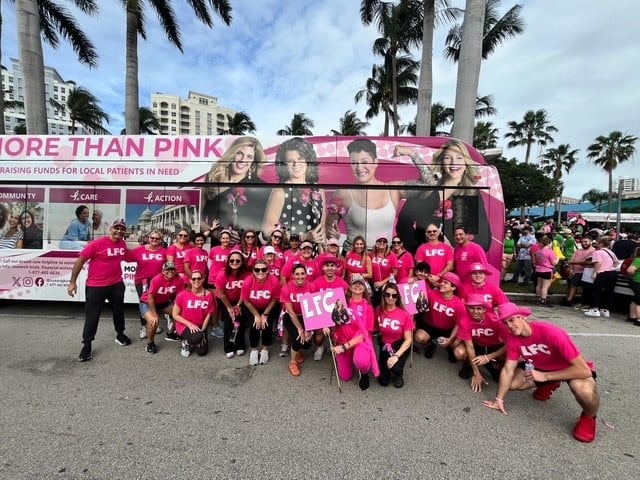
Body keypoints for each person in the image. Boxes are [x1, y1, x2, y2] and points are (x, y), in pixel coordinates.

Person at [483, 302, 600, 443]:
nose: (509, 326)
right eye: (505, 323)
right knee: (513, 384)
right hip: (541, 369)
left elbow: (584, 370)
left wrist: (545, 376)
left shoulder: (550, 332)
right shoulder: (513, 339)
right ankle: (551, 383)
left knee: (584, 391)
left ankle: (589, 416)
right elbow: (508, 369)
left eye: (512, 320)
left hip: (569, 369)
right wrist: (499, 400)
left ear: (522, 317)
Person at [395, 140, 491, 253]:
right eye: (447, 158)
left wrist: (456, 250)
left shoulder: (469, 193)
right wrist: (420, 249)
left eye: (459, 158)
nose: (453, 162)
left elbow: (483, 238)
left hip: (456, 262)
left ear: (466, 164)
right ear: (441, 162)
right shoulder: (426, 191)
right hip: (425, 263)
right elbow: (403, 224)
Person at [68, 219, 131, 362]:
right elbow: (80, 261)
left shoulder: (122, 243)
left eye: (122, 229)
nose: (119, 231)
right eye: (116, 228)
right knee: (92, 315)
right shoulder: (97, 244)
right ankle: (87, 345)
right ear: (111, 229)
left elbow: (127, 256)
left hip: (116, 284)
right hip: (96, 286)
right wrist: (72, 282)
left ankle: (120, 335)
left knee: (119, 311)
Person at [329, 139, 401, 249]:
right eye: (354, 163)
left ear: (376, 162)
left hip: (384, 260)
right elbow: (327, 230)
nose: (359, 168)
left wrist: (411, 153)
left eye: (365, 162)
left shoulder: (393, 190)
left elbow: (430, 184)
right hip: (353, 259)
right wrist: (338, 238)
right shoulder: (343, 193)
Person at [262, 137, 326, 243]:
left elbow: (321, 232)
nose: (296, 164)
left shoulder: (319, 191)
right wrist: (302, 238)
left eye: (300, 159)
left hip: (314, 257)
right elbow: (267, 233)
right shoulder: (280, 192)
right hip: (290, 255)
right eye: (290, 161)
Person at [200, 136, 270, 233]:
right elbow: (197, 219)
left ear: (253, 163)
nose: (243, 160)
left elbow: (263, 224)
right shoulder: (212, 177)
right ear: (232, 153)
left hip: (246, 243)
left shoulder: (260, 186)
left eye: (249, 157)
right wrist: (219, 235)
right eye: (239, 153)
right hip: (214, 243)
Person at [327, 274, 379, 390]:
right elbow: (332, 318)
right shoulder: (342, 302)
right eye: (354, 283)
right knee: (345, 377)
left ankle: (364, 373)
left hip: (359, 342)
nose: (357, 286)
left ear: (364, 288)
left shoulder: (369, 307)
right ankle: (350, 360)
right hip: (342, 340)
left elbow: (365, 334)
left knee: (362, 361)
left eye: (360, 283)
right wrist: (326, 326)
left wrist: (345, 347)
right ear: (350, 287)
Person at [453, 294, 507, 388]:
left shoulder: (495, 321)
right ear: (467, 308)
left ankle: (492, 365)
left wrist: (488, 357)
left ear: (484, 309)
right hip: (477, 346)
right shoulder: (464, 321)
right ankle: (470, 364)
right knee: (459, 352)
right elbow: (470, 348)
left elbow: (509, 344)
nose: (475, 312)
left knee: (510, 355)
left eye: (479, 308)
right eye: (472, 308)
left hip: (493, 347)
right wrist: (476, 373)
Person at [414, 272, 465, 362]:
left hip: (448, 329)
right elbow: (416, 290)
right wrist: (412, 281)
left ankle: (449, 348)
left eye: (446, 283)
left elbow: (458, 325)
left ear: (453, 288)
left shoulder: (459, 305)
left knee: (455, 345)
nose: (441, 283)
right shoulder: (431, 294)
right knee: (419, 337)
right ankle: (430, 345)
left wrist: (450, 339)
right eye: (442, 281)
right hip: (429, 325)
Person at [127, 229, 167, 340]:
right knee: (143, 303)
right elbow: (125, 256)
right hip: (141, 282)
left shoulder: (164, 251)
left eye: (157, 238)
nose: (154, 240)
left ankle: (155, 323)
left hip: (158, 282)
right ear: (148, 238)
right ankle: (144, 327)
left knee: (154, 303)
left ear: (160, 240)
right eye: (152, 238)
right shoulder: (139, 250)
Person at [241, 259, 282, 366]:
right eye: (257, 269)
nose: (260, 272)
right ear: (253, 271)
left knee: (266, 326)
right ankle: (254, 350)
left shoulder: (274, 281)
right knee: (254, 326)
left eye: (263, 269)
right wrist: (256, 315)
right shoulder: (247, 281)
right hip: (252, 307)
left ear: (268, 270)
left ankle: (265, 349)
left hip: (268, 306)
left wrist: (265, 314)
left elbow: (274, 300)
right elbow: (246, 301)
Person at [139, 262, 184, 354]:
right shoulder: (157, 279)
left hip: (164, 302)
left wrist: (177, 308)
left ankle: (170, 334)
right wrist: (154, 314)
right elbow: (150, 297)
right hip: (147, 303)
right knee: (154, 322)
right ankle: (150, 343)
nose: (170, 271)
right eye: (167, 269)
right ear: (163, 271)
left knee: (180, 315)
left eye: (172, 269)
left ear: (176, 270)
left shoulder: (179, 279)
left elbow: (179, 296)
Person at [310, 255, 349, 361]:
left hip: (336, 315)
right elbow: (312, 303)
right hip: (321, 315)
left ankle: (336, 348)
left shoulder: (342, 283)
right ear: (323, 268)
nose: (330, 268)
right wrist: (323, 324)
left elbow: (347, 300)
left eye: (332, 265)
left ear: (336, 268)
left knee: (336, 334)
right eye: (327, 265)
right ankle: (319, 347)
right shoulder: (316, 283)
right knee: (318, 337)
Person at [375, 282, 414, 388]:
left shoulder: (405, 314)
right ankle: (388, 369)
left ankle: (398, 373)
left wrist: (397, 356)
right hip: (384, 344)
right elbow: (374, 328)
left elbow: (408, 340)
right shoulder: (379, 310)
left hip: (399, 345)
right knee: (383, 382)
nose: (390, 298)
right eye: (387, 294)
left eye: (394, 295)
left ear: (398, 297)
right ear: (383, 295)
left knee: (395, 367)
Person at [280, 264, 315, 377]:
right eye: (297, 274)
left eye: (302, 273)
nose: (300, 276)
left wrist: (308, 329)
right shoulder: (287, 288)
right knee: (298, 338)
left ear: (306, 274)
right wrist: (300, 329)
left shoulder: (312, 286)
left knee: (307, 344)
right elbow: (290, 312)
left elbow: (313, 308)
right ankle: (292, 362)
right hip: (291, 316)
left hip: (307, 316)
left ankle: (300, 350)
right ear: (293, 275)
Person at [173, 270, 215, 358]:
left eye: (199, 278)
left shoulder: (209, 295)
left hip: (200, 326)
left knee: (202, 352)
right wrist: (190, 324)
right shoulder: (182, 295)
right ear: (190, 280)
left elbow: (209, 313)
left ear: (203, 279)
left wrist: (203, 331)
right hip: (184, 325)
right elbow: (175, 314)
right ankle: (186, 342)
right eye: (194, 278)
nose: (196, 280)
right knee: (196, 338)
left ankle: (197, 337)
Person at [215, 251, 247, 358]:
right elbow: (221, 293)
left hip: (239, 300)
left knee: (239, 320)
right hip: (225, 300)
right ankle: (228, 347)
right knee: (229, 321)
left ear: (242, 262)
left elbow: (245, 291)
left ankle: (240, 345)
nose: (234, 262)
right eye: (232, 260)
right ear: (228, 262)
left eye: (238, 260)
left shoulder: (246, 274)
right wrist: (229, 308)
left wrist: (238, 305)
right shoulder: (222, 274)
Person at [584, 236, 619, 318]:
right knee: (609, 291)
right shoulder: (611, 252)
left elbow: (598, 263)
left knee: (596, 290)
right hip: (613, 273)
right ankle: (605, 309)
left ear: (601, 243)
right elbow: (616, 262)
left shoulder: (597, 252)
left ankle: (595, 309)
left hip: (602, 272)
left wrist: (595, 273)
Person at [414, 223, 454, 287]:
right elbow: (420, 266)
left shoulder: (447, 247)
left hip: (443, 282)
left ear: (438, 232)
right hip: (426, 282)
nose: (432, 233)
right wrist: (430, 277)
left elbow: (450, 265)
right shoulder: (421, 248)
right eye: (429, 231)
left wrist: (439, 276)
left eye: (434, 231)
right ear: (426, 234)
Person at [560, 236, 595, 307]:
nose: (583, 243)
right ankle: (568, 299)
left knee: (574, 286)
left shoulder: (594, 251)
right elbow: (571, 261)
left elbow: (588, 262)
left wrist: (573, 263)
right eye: (582, 242)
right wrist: (571, 268)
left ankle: (569, 300)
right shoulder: (578, 250)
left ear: (591, 242)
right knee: (570, 285)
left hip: (585, 272)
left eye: (585, 241)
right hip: (574, 271)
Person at [370, 235, 399, 307]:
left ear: (387, 244)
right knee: (374, 305)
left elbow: (395, 273)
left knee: (384, 305)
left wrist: (382, 282)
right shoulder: (371, 254)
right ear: (376, 243)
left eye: (384, 241)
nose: (382, 242)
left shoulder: (392, 255)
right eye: (380, 241)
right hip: (373, 285)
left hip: (386, 285)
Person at [533, 236, 558, 307]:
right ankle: (543, 300)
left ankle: (538, 298)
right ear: (549, 243)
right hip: (547, 270)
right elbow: (554, 263)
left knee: (539, 285)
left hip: (539, 269)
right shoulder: (550, 251)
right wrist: (558, 258)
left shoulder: (538, 251)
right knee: (545, 286)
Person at [626, 246, 640, 326]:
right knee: (639, 301)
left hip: (636, 281)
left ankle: (632, 316)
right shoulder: (638, 260)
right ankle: (638, 319)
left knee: (636, 299)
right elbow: (630, 270)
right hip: (638, 282)